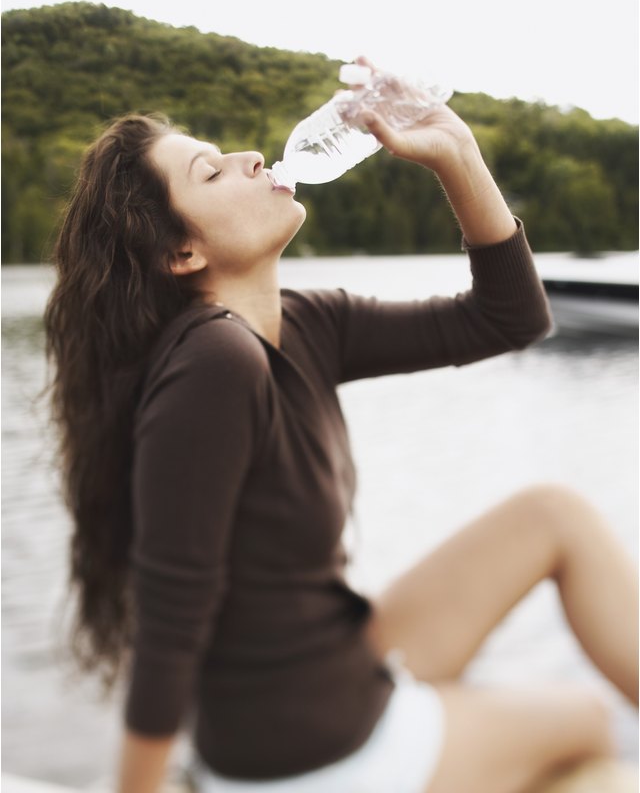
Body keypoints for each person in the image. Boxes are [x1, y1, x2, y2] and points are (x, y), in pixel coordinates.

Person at [44, 60, 638, 793]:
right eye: (211, 172)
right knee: (586, 725)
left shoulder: (305, 322)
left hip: (323, 663)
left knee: (553, 515)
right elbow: (172, 618)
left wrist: (456, 154)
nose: (250, 158)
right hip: (295, 742)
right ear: (183, 253)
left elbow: (509, 317)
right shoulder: (213, 362)